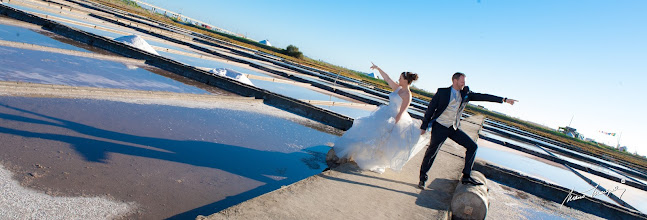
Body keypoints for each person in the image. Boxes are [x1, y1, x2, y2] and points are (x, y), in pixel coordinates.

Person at [418, 72, 517, 189]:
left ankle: (466, 176)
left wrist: (504, 99)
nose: (464, 84)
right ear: (455, 81)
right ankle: (422, 178)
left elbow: (484, 97)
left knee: (473, 146)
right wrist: (424, 126)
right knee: (432, 152)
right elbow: (430, 109)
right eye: (462, 81)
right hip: (440, 126)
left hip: (453, 128)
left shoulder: (465, 94)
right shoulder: (442, 92)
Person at [333, 62, 430, 173]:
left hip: (394, 118)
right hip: (385, 113)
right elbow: (387, 78)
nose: (398, 79)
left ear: (406, 80)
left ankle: (373, 160)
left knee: (382, 141)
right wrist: (378, 68)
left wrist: (393, 124)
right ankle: (357, 154)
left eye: (400, 78)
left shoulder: (407, 95)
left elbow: (401, 112)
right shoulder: (398, 88)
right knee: (369, 133)